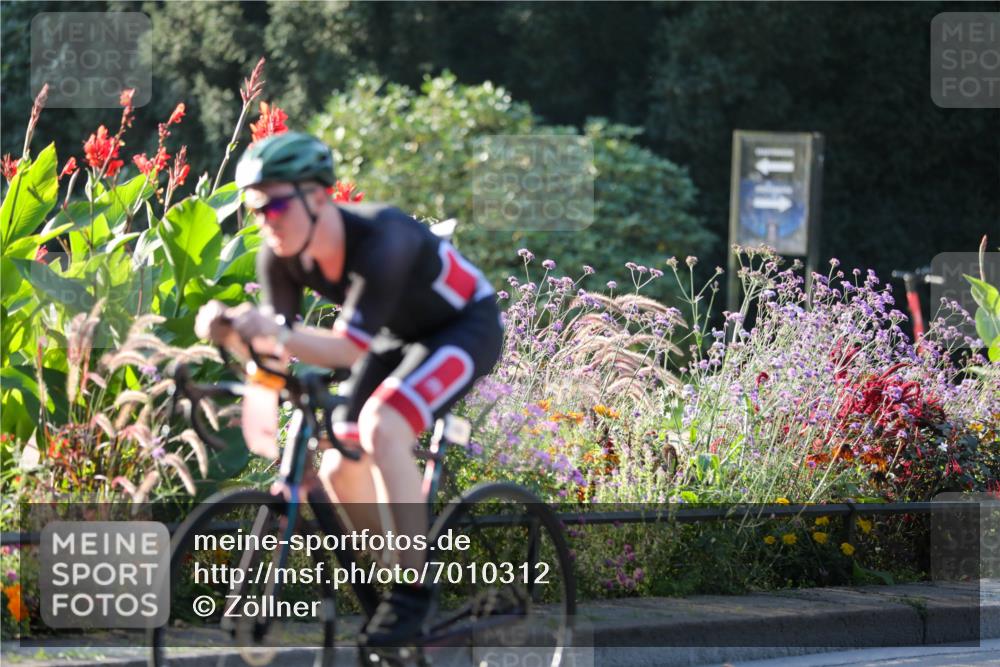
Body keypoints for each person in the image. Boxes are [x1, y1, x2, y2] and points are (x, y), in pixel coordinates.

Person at [195, 132, 503, 645]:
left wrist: (271, 331)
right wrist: (233, 337)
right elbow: (277, 358)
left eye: (273, 206)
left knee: (384, 423)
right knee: (340, 459)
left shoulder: (383, 237)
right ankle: (395, 568)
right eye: (253, 209)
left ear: (318, 196)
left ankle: (412, 591)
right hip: (395, 338)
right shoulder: (278, 256)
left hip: (464, 326)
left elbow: (344, 350)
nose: (262, 220)